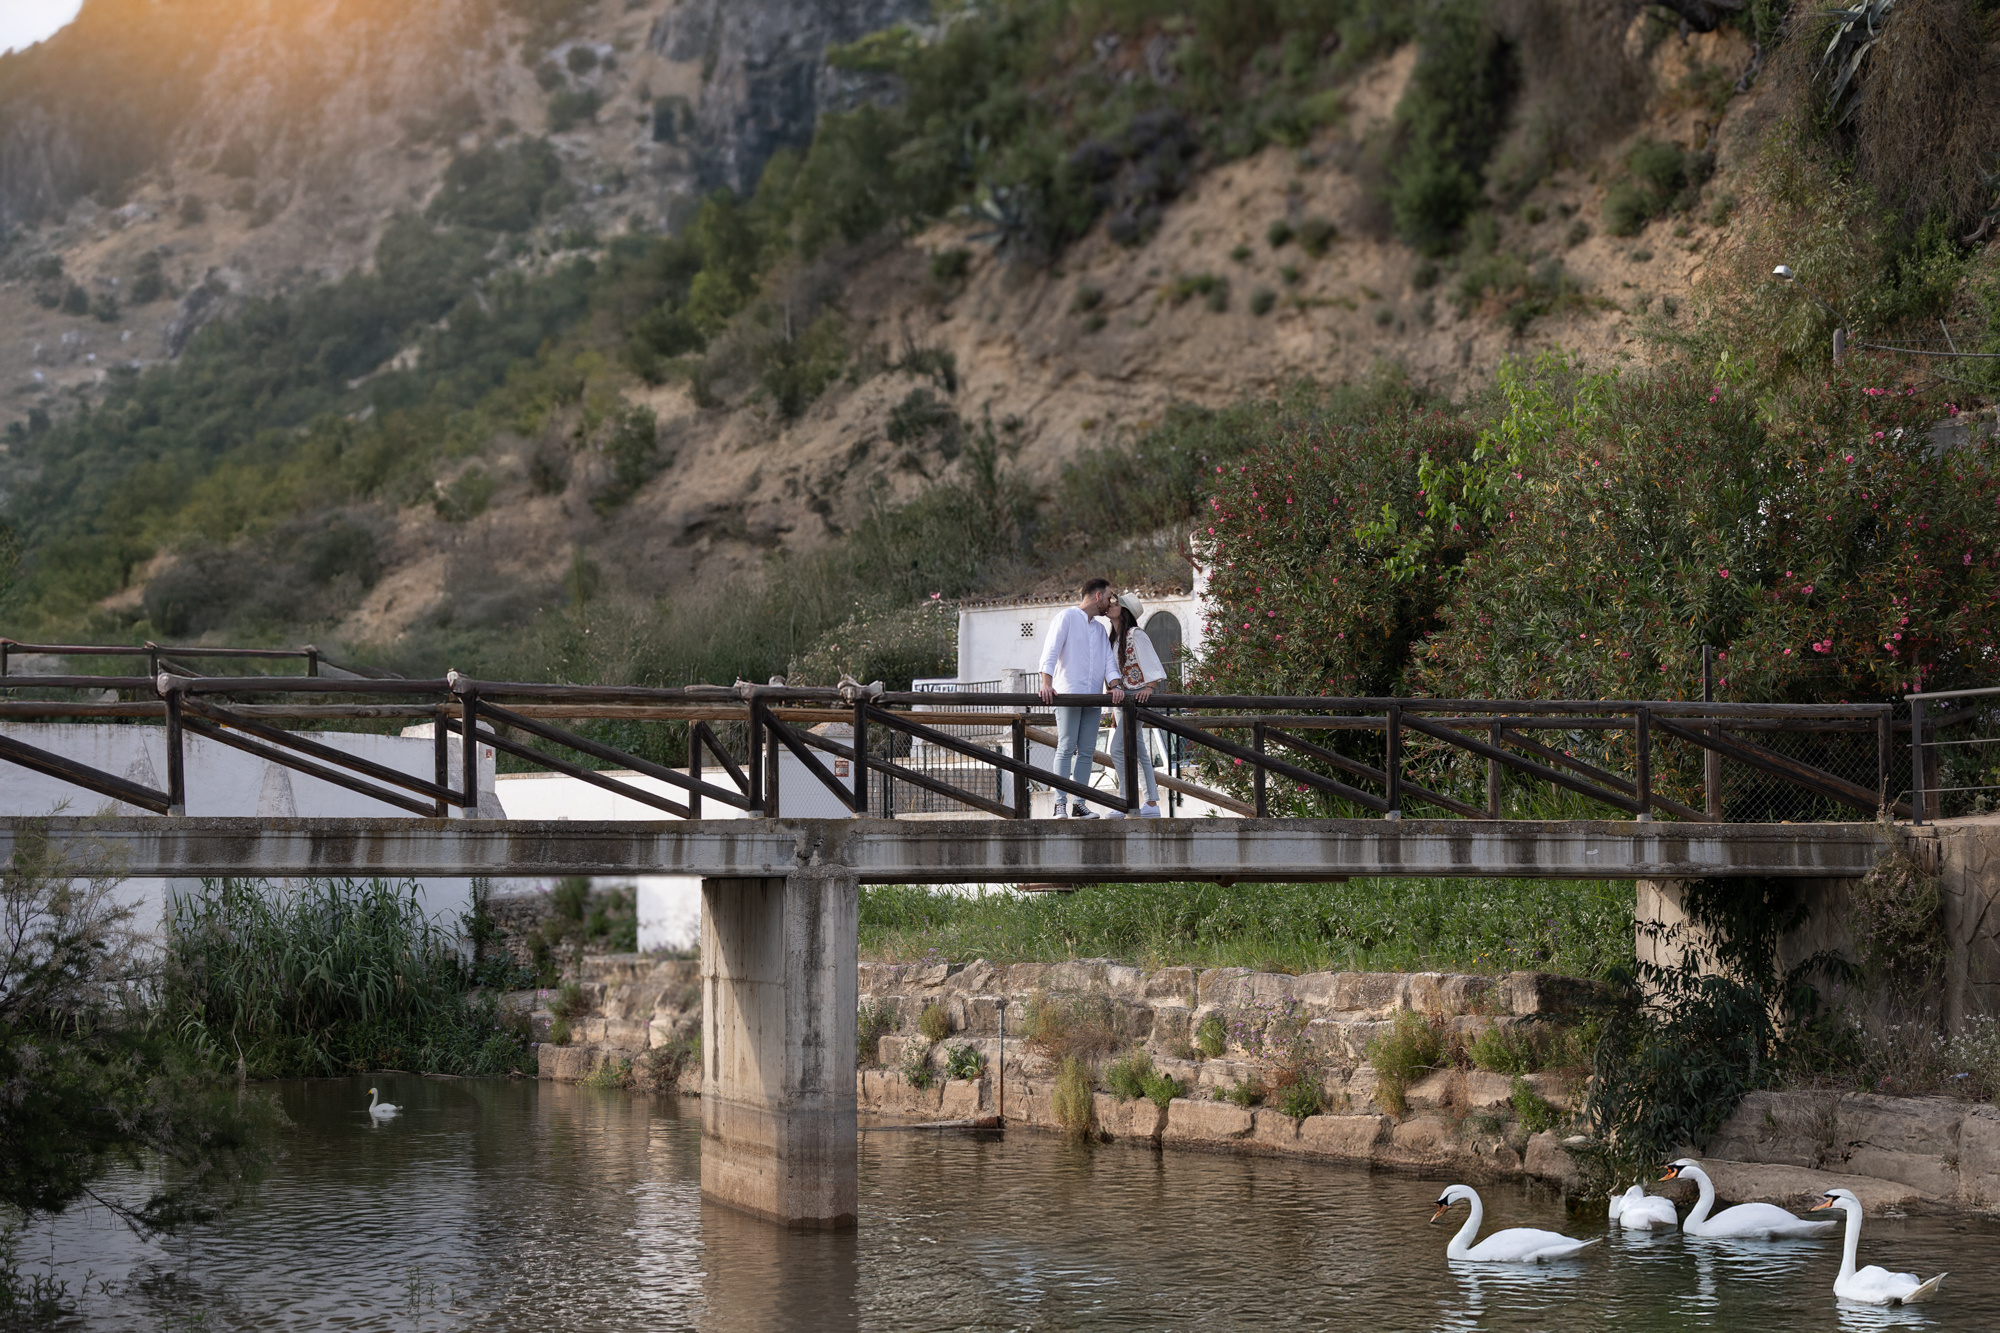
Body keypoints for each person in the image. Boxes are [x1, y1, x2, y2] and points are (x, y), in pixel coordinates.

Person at [1037, 578, 1124, 817]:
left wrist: (1115, 686)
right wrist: (1047, 684)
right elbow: (1050, 652)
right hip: (1068, 695)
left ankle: (1079, 804)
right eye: (1108, 597)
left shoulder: (1098, 628)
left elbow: (1108, 662)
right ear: (1097, 596)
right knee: (1065, 747)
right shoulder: (1066, 618)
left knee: (1086, 750)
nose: (1109, 603)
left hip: (1093, 698)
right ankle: (1060, 803)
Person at [1099, 591, 1166, 818]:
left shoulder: (1135, 634)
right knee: (1139, 751)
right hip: (1122, 700)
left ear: (1124, 611)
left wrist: (1149, 688)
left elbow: (1151, 661)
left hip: (1136, 697)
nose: (1110, 606)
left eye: (1115, 604)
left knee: (1117, 749)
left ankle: (1126, 801)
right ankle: (1150, 804)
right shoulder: (1114, 637)